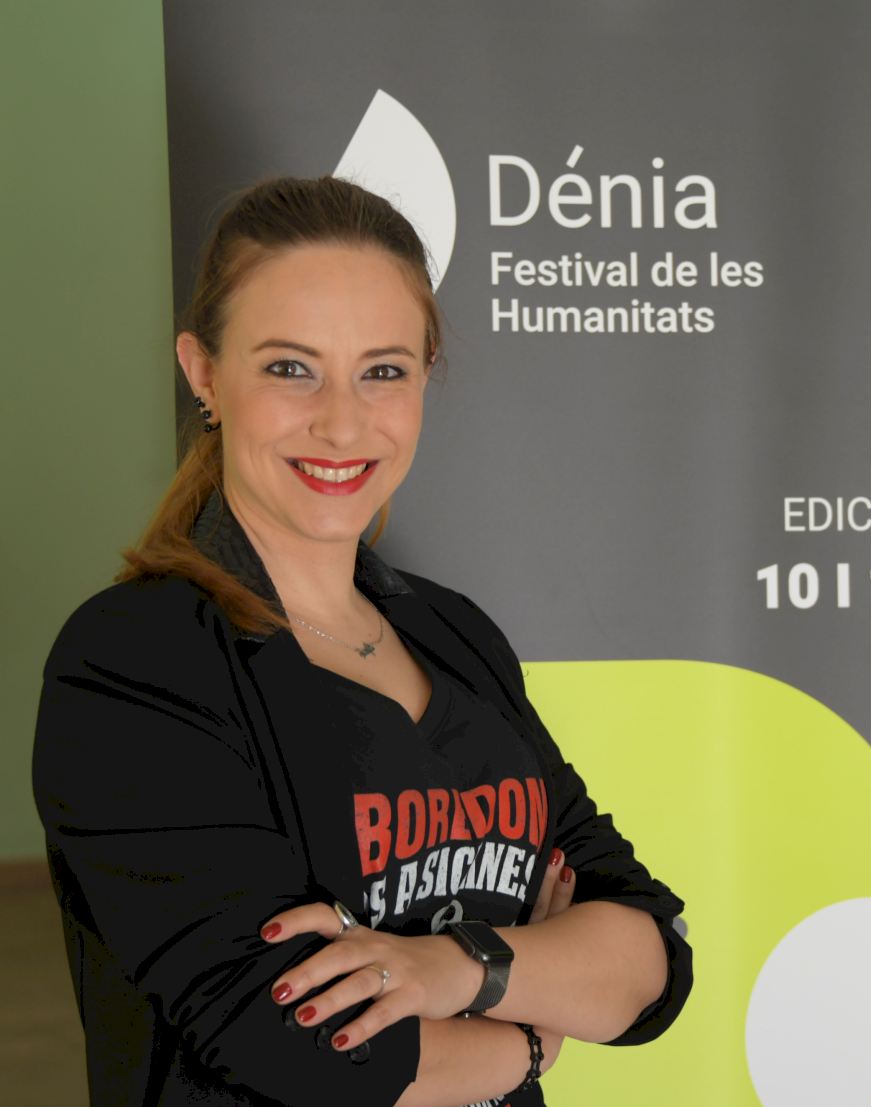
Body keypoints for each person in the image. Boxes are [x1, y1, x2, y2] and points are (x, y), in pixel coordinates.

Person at [31, 174, 692, 1107]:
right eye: (290, 367)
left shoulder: (453, 633)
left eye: (383, 370)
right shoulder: (133, 662)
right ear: (204, 373)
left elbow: (648, 959)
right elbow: (298, 1045)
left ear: (425, 375)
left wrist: (457, 968)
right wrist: (531, 1037)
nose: (342, 422)